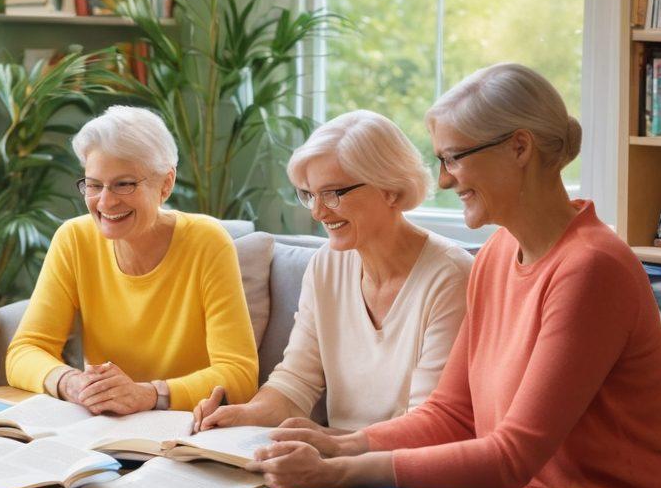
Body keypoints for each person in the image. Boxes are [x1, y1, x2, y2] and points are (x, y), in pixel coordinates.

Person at [256, 64, 661, 488]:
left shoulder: (591, 269)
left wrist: (344, 468)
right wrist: (338, 445)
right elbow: (451, 416)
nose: (443, 180)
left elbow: (510, 457)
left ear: (519, 147)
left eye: (454, 159)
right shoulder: (498, 255)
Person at [192, 110, 472, 435]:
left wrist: (323, 441)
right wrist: (242, 415)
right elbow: (294, 382)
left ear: (390, 189)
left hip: (407, 471)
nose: (317, 211)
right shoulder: (327, 265)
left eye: (333, 193)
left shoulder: (450, 276)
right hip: (335, 464)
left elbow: (427, 426)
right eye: (310, 194)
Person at [6, 105, 258, 414]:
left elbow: (240, 375)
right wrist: (70, 381)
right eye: (94, 185)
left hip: (184, 428)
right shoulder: (74, 239)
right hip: (105, 428)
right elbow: (24, 351)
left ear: (165, 184)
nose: (106, 201)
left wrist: (150, 394)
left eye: (124, 184)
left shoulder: (208, 242)